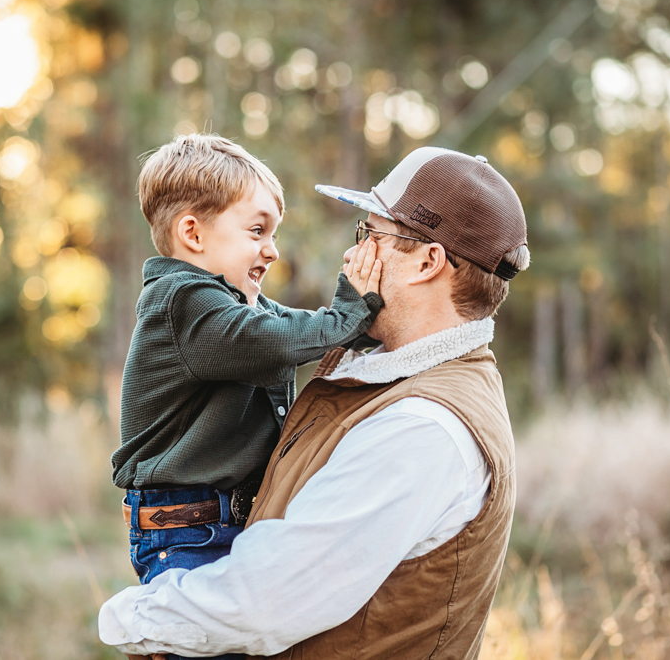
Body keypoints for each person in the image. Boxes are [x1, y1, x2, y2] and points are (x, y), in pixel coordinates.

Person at [100, 146, 530, 660]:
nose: (351, 257)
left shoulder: (422, 426)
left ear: (427, 261)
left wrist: (126, 619)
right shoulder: (392, 379)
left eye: (369, 236)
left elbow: (261, 603)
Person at [112, 133, 384, 660]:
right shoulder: (181, 301)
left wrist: (359, 329)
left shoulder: (232, 303)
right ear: (192, 232)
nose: (272, 249)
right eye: (257, 230)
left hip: (226, 522)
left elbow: (287, 324)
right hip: (186, 533)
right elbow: (272, 341)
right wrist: (350, 311)